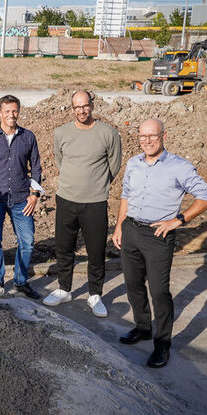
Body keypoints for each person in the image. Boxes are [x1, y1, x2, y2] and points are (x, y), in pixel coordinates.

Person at [113, 119, 207, 368]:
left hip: (158, 235)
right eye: (142, 136)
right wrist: (119, 226)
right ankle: (142, 327)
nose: (147, 140)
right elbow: (126, 195)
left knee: (159, 291)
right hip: (131, 230)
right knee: (133, 283)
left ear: (163, 136)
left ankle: (162, 345)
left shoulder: (179, 167)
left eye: (153, 136)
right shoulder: (133, 163)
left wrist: (178, 220)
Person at [43, 90, 121, 317]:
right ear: (72, 108)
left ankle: (95, 294)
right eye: (77, 107)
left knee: (96, 251)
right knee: (64, 247)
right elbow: (60, 160)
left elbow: (113, 165)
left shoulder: (108, 133)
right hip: (66, 199)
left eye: (85, 106)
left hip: (95, 202)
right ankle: (64, 289)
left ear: (92, 105)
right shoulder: (61, 133)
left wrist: (96, 184)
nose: (82, 110)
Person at [0, 94, 43, 299]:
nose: (11, 115)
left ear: (19, 112)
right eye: (7, 111)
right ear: (0, 113)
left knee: (28, 241)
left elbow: (37, 167)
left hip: (22, 198)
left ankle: (21, 281)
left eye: (14, 111)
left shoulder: (28, 137)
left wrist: (34, 195)